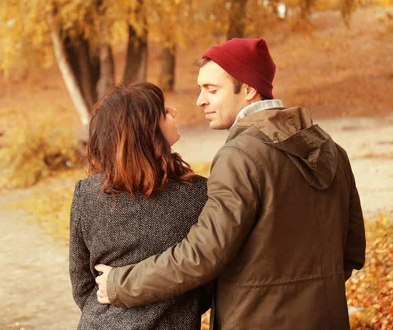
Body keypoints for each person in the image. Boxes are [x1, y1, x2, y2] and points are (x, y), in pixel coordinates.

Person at [94, 38, 366, 330]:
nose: (200, 100)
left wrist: (121, 284)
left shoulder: (239, 156)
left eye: (212, 90)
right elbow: (351, 252)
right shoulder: (334, 151)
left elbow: (203, 254)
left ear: (248, 89)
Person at [69, 82, 210, 329]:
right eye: (164, 112)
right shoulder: (199, 194)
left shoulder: (86, 194)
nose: (174, 111)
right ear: (148, 131)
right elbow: (209, 278)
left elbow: (82, 285)